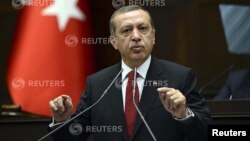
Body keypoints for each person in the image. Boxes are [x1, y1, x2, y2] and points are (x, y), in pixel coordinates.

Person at [48, 5, 212, 141]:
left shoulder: (180, 77)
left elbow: (205, 132)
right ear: (114, 42)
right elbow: (72, 137)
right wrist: (62, 120)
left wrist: (183, 115)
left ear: (153, 36)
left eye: (143, 28)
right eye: (126, 30)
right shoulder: (97, 83)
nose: (136, 36)